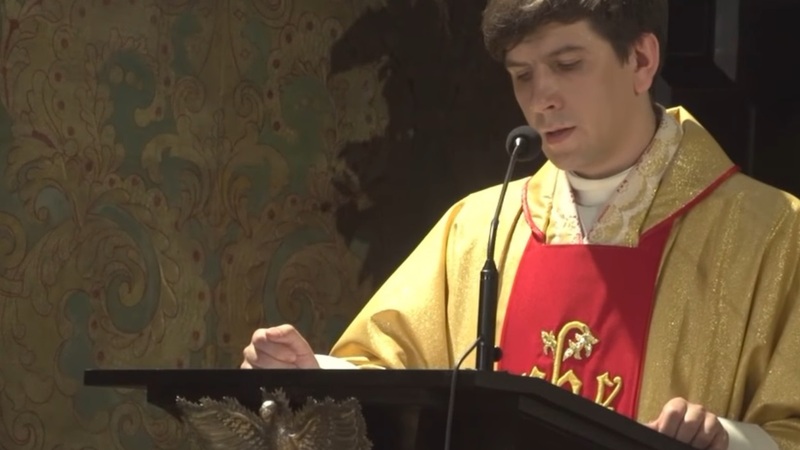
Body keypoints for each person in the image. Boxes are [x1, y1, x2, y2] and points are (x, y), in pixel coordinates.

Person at [241, 1, 800, 449]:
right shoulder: (479, 226)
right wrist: (316, 374)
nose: (540, 100)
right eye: (522, 75)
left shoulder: (771, 232)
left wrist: (727, 440)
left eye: (567, 64)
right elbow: (396, 376)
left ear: (640, 61)